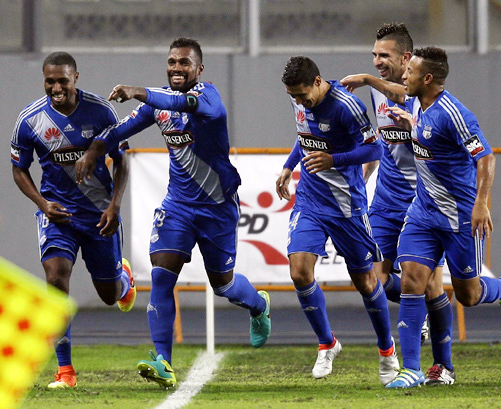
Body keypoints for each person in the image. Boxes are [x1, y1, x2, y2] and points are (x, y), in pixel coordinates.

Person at [75, 38, 271, 389]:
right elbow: (119, 131)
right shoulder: (158, 104)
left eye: (184, 63)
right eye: (172, 62)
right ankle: (163, 360)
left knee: (223, 285)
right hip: (178, 206)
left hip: (217, 207)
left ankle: (258, 306)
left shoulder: (207, 97)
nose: (176, 68)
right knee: (162, 276)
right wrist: (95, 150)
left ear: (199, 69)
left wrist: (139, 91)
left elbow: (182, 102)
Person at [354, 47, 501, 388]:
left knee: (469, 295)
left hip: (460, 217)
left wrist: (481, 204)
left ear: (427, 78)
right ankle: (413, 368)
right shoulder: (417, 102)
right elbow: (402, 97)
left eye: (410, 72)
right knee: (413, 279)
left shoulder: (454, 113)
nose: (404, 76)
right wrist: (404, 117)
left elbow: (486, 158)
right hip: (423, 213)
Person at [11, 52, 136, 389]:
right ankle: (65, 371)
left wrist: (115, 206)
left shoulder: (101, 112)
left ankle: (123, 279)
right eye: (49, 81)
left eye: (62, 81)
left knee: (109, 295)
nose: (56, 87)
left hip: (99, 217)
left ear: (75, 77)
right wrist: (42, 203)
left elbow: (122, 160)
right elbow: (18, 169)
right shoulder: (29, 119)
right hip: (58, 215)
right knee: (55, 279)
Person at [340, 22, 455, 386]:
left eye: (383, 56)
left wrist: (368, 80)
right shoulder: (377, 91)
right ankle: (416, 319)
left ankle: (443, 365)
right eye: (373, 56)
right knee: (372, 276)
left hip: (423, 202)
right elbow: (384, 139)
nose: (376, 62)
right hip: (387, 200)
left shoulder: (421, 91)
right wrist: (368, 169)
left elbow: (402, 95)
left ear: (407, 59)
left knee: (437, 287)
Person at [276, 56, 399, 385]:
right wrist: (289, 167)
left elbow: (375, 151)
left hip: (347, 206)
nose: (299, 102)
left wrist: (334, 159)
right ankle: (327, 343)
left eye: (303, 95)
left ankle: (387, 351)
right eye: (293, 97)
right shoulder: (299, 99)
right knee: (299, 271)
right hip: (310, 200)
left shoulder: (346, 105)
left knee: (366, 282)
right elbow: (304, 136)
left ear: (317, 82)